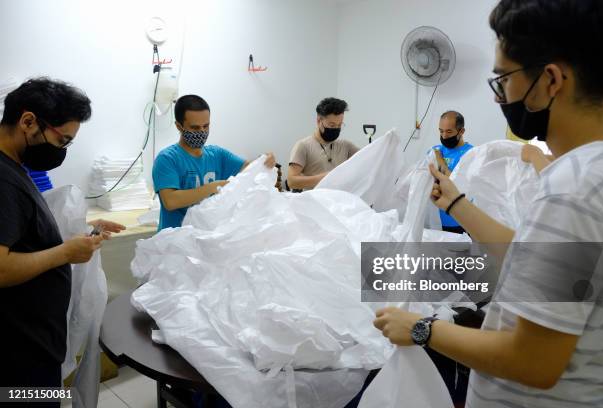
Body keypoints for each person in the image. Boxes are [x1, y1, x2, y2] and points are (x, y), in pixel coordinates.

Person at [373, 1, 603, 408]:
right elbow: (534, 256)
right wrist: (457, 202)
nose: (501, 93)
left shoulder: (572, 188)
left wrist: (421, 328)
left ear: (551, 80)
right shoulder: (596, 172)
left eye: (504, 77)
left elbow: (533, 361)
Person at [0, 78, 124, 402]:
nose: (62, 152)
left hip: (35, 346)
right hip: (18, 356)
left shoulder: (16, 169)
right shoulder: (3, 179)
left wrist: (79, 229)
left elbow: (24, 234)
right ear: (28, 121)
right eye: (62, 140)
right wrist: (66, 252)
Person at [153, 95, 275, 230]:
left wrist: (264, 160)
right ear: (179, 126)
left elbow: (249, 169)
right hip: (174, 241)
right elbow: (170, 201)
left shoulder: (218, 155)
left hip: (205, 239)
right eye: (195, 128)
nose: (202, 132)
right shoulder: (167, 159)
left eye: (206, 126)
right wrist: (212, 187)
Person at [287, 97, 359, 191]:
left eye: (340, 125)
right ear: (319, 121)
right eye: (332, 125)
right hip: (315, 203)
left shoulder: (347, 146)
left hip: (340, 203)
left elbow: (369, 157)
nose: (336, 128)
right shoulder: (303, 146)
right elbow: (292, 182)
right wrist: (323, 178)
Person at [433, 111, 473, 234]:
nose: (444, 136)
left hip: (460, 221)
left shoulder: (471, 154)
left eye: (449, 131)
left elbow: (459, 188)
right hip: (436, 220)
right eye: (441, 131)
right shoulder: (434, 151)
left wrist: (442, 164)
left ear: (461, 131)